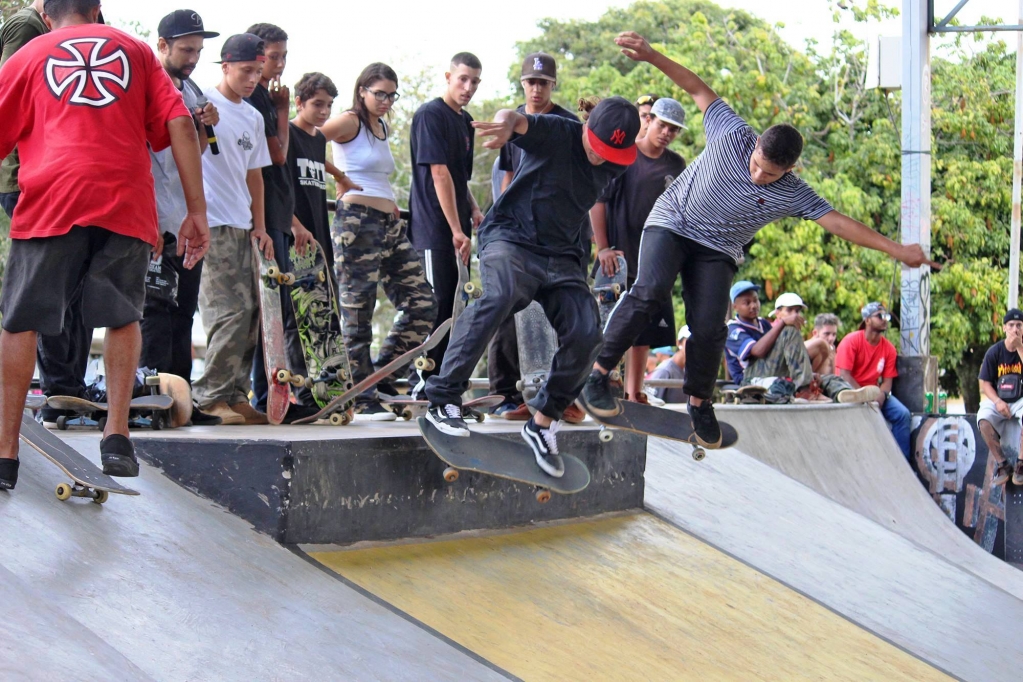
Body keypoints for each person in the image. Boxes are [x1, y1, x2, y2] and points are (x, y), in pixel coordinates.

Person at [580, 32, 937, 448]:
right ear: (755, 147)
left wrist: (899, 251)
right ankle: (598, 376)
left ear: (789, 169)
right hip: (674, 222)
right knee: (649, 291)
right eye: (756, 165)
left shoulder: (795, 191)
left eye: (768, 174)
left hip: (718, 249)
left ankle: (699, 403)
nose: (757, 176)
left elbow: (839, 223)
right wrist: (651, 54)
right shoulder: (732, 132)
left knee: (711, 327)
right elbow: (695, 86)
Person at [0, 0, 209, 489]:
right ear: (96, 12)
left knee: (20, 321)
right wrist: (195, 213)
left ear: (48, 16)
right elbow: (179, 125)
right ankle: (116, 435)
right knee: (122, 315)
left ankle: (5, 453)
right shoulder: (135, 50)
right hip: (125, 201)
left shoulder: (30, 54)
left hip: (52, 198)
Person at [424, 97, 640, 478]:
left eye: (609, 153)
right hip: (512, 238)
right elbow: (519, 121)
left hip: (563, 256)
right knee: (501, 295)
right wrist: (507, 124)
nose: (599, 158)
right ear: (587, 128)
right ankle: (443, 398)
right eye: (596, 147)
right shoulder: (560, 132)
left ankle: (542, 423)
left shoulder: (617, 164)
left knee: (588, 334)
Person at [320, 63, 438, 420]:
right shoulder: (349, 121)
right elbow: (306, 139)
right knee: (358, 314)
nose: (386, 101)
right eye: (379, 93)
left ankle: (381, 377)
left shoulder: (381, 126)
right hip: (356, 223)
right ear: (362, 91)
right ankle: (361, 396)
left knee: (424, 304)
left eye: (391, 94)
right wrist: (338, 176)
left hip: (390, 224)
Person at [1, 0, 92, 428]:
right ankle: (58, 387)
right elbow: (12, 95)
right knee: (46, 291)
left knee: (76, 290)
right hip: (26, 178)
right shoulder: (26, 26)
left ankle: (69, 384)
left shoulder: (82, 28)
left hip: (62, 179)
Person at [489, 52, 585, 423]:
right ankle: (504, 394)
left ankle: (559, 396)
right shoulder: (512, 121)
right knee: (505, 304)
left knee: (564, 315)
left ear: (553, 86)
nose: (536, 89)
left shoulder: (566, 123)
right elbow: (507, 175)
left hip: (559, 235)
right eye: (531, 82)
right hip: (518, 231)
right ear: (523, 84)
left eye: (543, 83)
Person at [142, 9, 222, 426]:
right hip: (152, 212)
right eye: (186, 49)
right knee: (153, 307)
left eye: (198, 50)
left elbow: (201, 151)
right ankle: (150, 399)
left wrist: (207, 126)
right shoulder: (145, 83)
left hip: (185, 215)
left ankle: (181, 404)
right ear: (163, 46)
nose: (192, 57)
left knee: (183, 308)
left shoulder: (191, 88)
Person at [191, 33, 275, 426]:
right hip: (212, 221)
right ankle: (208, 396)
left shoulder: (254, 116)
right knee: (228, 311)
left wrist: (261, 226)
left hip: (243, 224)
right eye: (246, 70)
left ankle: (235, 394)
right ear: (225, 66)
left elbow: (255, 175)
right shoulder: (203, 101)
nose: (253, 78)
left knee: (253, 312)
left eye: (258, 72)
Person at [242, 23, 316, 423]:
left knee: (281, 309)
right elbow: (279, 155)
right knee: (267, 312)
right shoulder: (256, 97)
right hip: (263, 217)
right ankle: (262, 397)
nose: (280, 64)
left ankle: (273, 396)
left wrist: (293, 220)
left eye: (284, 56)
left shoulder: (265, 96)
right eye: (274, 57)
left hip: (278, 213)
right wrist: (285, 110)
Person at [591, 96, 686, 404]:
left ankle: (635, 391)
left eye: (674, 129)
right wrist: (602, 247)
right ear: (649, 121)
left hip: (655, 257)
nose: (666, 133)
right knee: (605, 324)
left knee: (642, 329)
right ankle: (596, 384)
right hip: (618, 256)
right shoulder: (624, 156)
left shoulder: (676, 164)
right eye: (662, 125)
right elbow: (599, 202)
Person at [407, 53, 484, 380]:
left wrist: (474, 208)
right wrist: (455, 228)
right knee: (433, 307)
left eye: (475, 82)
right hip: (433, 230)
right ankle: (419, 382)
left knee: (456, 309)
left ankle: (440, 382)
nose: (468, 87)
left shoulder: (466, 121)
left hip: (459, 232)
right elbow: (438, 173)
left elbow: (458, 178)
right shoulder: (430, 115)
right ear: (448, 76)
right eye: (463, 79)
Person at [726, 286, 878, 404]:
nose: (753, 305)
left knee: (825, 378)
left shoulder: (763, 324)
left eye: (755, 300)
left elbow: (778, 358)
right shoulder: (732, 329)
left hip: (770, 371)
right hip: (749, 378)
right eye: (747, 303)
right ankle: (805, 389)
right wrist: (784, 323)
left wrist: (810, 375)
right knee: (798, 335)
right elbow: (758, 352)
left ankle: (844, 393)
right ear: (735, 307)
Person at [835, 302, 911, 459]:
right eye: (880, 316)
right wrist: (863, 396)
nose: (885, 320)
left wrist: (881, 395)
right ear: (867, 320)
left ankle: (901, 462)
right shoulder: (851, 341)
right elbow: (844, 375)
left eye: (886, 316)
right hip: (850, 392)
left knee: (903, 414)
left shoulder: (889, 348)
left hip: (874, 395)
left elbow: (887, 381)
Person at [976, 309, 1023, 486]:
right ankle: (1003, 464)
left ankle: (1021, 464)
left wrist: (1019, 347)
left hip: (1021, 400)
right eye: (1011, 325)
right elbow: (985, 383)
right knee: (983, 419)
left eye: (1019, 325)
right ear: (1004, 328)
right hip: (999, 398)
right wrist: (997, 401)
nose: (1015, 329)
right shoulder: (994, 352)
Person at [647, 325, 690, 404]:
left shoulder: (688, 371)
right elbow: (652, 405)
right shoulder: (665, 371)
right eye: (689, 341)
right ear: (679, 343)